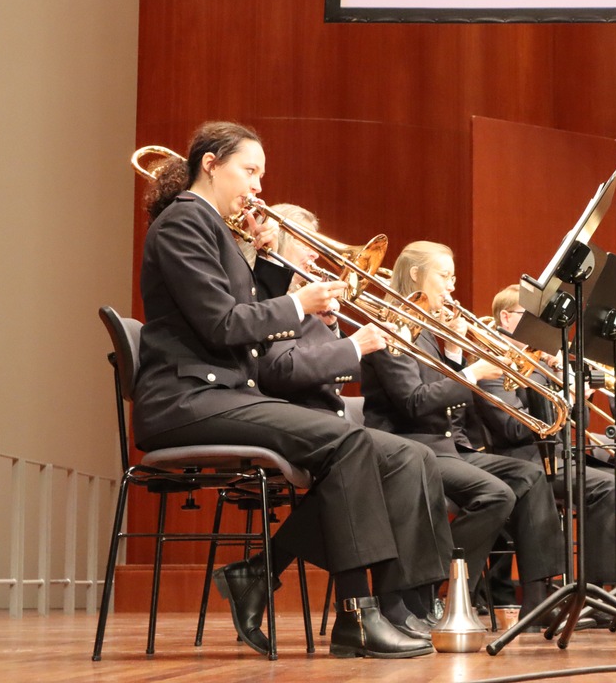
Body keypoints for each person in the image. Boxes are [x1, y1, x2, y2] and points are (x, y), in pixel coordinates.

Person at [133, 121, 430, 659]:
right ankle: (356, 620)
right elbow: (223, 326)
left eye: (261, 174)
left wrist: (267, 265)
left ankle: (371, 605)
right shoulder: (183, 223)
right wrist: (300, 303)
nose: (257, 185)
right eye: (249, 170)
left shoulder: (216, 229)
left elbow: (244, 321)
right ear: (211, 164)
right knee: (351, 443)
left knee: (390, 454)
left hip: (222, 393)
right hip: (185, 400)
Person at [252, 203, 454, 637]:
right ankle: (389, 602)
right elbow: (280, 369)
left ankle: (407, 596)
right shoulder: (271, 299)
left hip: (326, 420)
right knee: (398, 458)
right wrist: (354, 343)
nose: (315, 257)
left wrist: (344, 330)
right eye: (305, 245)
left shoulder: (306, 302)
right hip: (288, 419)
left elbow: (345, 368)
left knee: (415, 458)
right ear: (277, 243)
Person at [359, 241, 568, 627]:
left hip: (447, 446)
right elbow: (416, 403)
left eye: (453, 278)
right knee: (495, 494)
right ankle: (447, 590)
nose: (452, 287)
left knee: (529, 475)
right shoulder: (395, 324)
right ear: (417, 275)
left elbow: (437, 390)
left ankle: (538, 599)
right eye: (445, 276)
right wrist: (471, 373)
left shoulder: (424, 329)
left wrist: (455, 352)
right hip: (410, 449)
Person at [475, 284, 616, 616]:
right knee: (605, 489)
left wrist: (574, 390)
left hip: (565, 458)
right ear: (506, 319)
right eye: (531, 319)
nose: (542, 330)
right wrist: (562, 397)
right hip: (527, 463)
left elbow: (575, 422)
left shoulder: (542, 363)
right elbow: (512, 429)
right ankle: (596, 595)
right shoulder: (492, 364)